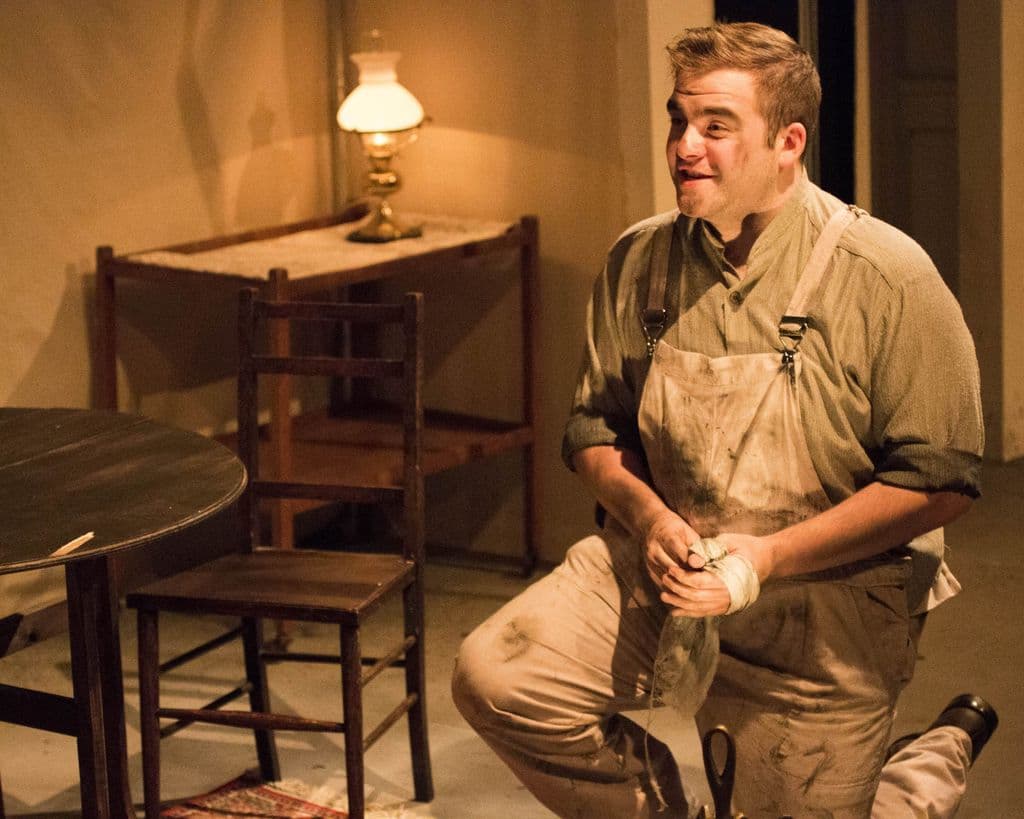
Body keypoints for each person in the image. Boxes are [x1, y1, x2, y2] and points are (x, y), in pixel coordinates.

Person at [452, 21, 994, 818]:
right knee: (498, 677)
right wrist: (651, 518)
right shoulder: (639, 263)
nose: (685, 146)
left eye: (716, 125)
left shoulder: (888, 277)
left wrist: (765, 558)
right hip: (663, 573)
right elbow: (593, 429)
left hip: (822, 611)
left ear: (788, 142)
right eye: (679, 119)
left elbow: (940, 483)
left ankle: (927, 763)